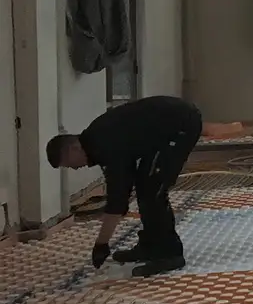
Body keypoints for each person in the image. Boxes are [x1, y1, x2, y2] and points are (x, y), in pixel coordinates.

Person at [46, 96, 202, 277]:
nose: (73, 168)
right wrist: (102, 242)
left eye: (69, 163)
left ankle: (170, 253)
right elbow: (123, 185)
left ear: (74, 148)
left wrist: (101, 244)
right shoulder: (97, 142)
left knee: (153, 189)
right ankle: (150, 246)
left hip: (181, 125)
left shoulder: (104, 144)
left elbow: (117, 199)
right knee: (145, 185)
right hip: (165, 128)